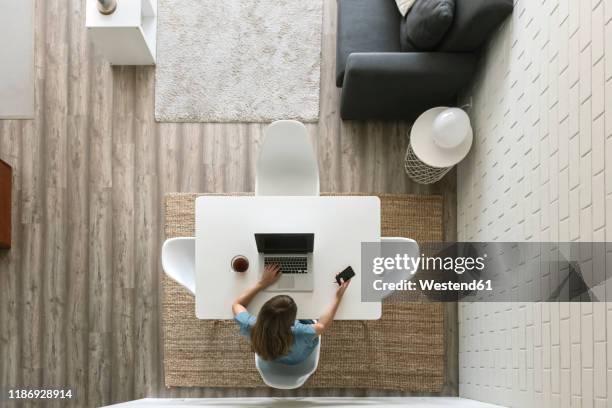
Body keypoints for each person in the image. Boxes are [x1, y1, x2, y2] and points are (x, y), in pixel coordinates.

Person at [231, 264, 351, 364]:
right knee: (312, 320)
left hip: (269, 356)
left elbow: (237, 304)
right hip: (297, 359)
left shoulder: (250, 325)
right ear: (291, 321)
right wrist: (338, 295)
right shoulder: (301, 332)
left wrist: (262, 283)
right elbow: (322, 325)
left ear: (263, 312)